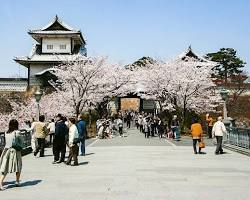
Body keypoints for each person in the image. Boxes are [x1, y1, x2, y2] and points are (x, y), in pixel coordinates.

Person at [0, 119, 23, 190]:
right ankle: (17, 181)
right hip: (15, 151)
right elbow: (21, 143)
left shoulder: (6, 132)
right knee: (18, 166)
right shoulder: (17, 132)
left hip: (6, 151)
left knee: (5, 168)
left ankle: (0, 182)